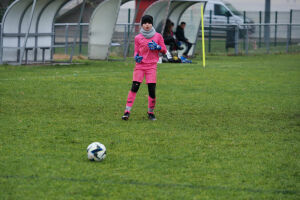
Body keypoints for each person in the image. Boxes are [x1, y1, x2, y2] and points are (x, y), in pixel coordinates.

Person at [122, 15, 167, 121]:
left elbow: (164, 50)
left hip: (151, 66)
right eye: (145, 23)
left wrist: (158, 47)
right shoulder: (138, 37)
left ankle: (150, 113)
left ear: (152, 24)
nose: (147, 25)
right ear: (142, 24)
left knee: (151, 89)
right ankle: (127, 111)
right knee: (135, 87)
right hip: (140, 66)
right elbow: (136, 51)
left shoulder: (158, 36)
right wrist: (136, 57)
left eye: (149, 23)